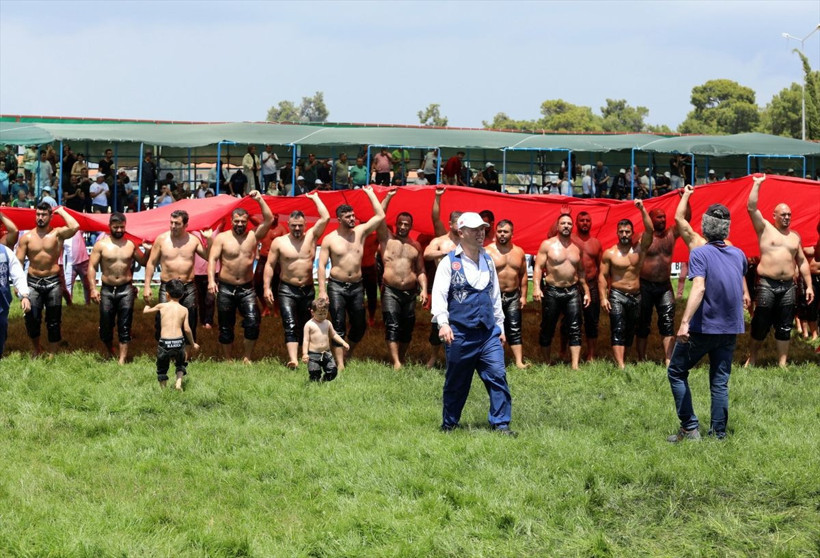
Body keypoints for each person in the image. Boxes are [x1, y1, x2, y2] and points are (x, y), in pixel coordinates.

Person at [666, 204, 747, 443]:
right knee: (720, 382)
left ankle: (690, 427)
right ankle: (719, 435)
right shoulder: (739, 254)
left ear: (705, 226)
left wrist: (684, 323)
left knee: (676, 372)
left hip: (704, 327)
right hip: (730, 328)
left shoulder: (700, 253)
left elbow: (699, 287)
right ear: (726, 229)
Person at [432, 212, 514, 435]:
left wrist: (501, 327)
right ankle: (449, 424)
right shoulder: (449, 263)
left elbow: (494, 295)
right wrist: (443, 323)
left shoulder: (488, 259)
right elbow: (438, 294)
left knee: (497, 375)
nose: (481, 233)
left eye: (483, 229)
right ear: (461, 232)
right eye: (475, 229)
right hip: (459, 333)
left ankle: (501, 424)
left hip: (488, 332)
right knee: (457, 382)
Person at [745, 175, 814, 367]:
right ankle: (753, 359)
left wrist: (809, 286)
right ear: (774, 216)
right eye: (783, 214)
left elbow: (801, 262)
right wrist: (757, 184)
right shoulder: (765, 228)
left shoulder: (795, 237)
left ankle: (782, 364)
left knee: (785, 325)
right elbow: (751, 208)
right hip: (767, 283)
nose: (787, 217)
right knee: (761, 323)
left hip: (788, 286)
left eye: (789, 215)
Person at [317, 186, 385, 371]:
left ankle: (349, 351)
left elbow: (380, 216)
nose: (352, 219)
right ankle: (340, 364)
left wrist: (370, 193)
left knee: (360, 325)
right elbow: (321, 265)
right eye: (348, 217)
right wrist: (322, 290)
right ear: (339, 219)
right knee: (338, 324)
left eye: (353, 216)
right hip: (337, 285)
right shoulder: (330, 239)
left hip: (356, 285)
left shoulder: (361, 232)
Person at [264, 192, 330, 368]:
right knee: (290, 323)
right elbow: (269, 265)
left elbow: (326, 217)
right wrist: (266, 288)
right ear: (289, 225)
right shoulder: (279, 242)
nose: (297, 229)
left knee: (305, 323)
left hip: (307, 288)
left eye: (300, 226)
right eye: (294, 226)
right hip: (287, 288)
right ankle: (293, 359)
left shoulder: (312, 236)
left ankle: (305, 354)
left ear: (305, 225)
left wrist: (315, 198)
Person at [207, 190, 273, 363]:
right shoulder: (222, 238)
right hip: (226, 287)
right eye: (237, 221)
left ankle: (247, 356)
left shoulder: (253, 236)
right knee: (225, 325)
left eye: (243, 222)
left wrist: (259, 199)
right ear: (231, 221)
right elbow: (212, 259)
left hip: (246, 288)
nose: (240, 224)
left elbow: (269, 219)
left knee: (253, 321)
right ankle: (228, 358)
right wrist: (211, 281)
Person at [16, 203, 81, 357]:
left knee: (54, 320)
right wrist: (19, 285)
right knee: (32, 319)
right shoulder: (27, 237)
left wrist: (62, 211)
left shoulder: (57, 234)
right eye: (38, 214)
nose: (40, 217)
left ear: (51, 217)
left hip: (53, 281)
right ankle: (36, 349)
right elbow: (18, 262)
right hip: (33, 281)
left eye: (44, 215)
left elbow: (75, 226)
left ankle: (53, 353)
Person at [87, 213, 150, 364]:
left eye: (122, 227)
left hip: (125, 289)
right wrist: (93, 289)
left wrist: (147, 250)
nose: (119, 230)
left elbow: (142, 261)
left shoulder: (130, 244)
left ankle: (122, 359)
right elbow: (92, 267)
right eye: (116, 227)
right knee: (106, 326)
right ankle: (110, 350)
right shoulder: (101, 245)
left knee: (125, 324)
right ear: (109, 227)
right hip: (107, 289)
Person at [598, 200, 653, 369]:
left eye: (627, 231)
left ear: (632, 232)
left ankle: (625, 358)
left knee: (630, 329)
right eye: (621, 231)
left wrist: (642, 209)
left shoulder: (640, 249)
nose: (624, 234)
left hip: (636, 295)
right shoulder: (610, 253)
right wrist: (603, 298)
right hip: (617, 294)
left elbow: (650, 230)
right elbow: (602, 276)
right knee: (618, 327)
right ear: (617, 233)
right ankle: (620, 364)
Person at [143, 210, 210, 348]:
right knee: (162, 318)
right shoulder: (161, 239)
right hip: (167, 285)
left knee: (190, 317)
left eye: (177, 223)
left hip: (188, 286)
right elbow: (151, 263)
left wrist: (209, 239)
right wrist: (147, 286)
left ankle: (185, 352)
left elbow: (209, 256)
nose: (173, 226)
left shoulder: (193, 240)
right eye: (171, 223)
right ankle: (164, 348)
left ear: (185, 224)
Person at [377, 189, 428, 369]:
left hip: (410, 291)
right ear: (396, 224)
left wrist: (424, 289)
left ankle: (402, 356)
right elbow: (379, 216)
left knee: (407, 327)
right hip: (391, 290)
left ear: (410, 226)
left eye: (406, 224)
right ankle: (396, 362)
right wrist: (388, 198)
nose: (403, 227)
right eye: (400, 223)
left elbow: (421, 269)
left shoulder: (415, 246)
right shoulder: (387, 239)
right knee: (392, 324)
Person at [533, 213, 591, 369]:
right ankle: (546, 362)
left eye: (569, 224)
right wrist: (537, 287)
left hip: (572, 291)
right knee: (547, 326)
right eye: (563, 223)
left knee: (575, 327)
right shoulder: (547, 245)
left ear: (573, 227)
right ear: (557, 226)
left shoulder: (576, 248)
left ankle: (575, 365)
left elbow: (581, 272)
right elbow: (538, 267)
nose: (566, 226)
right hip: (552, 290)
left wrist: (586, 291)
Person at [635, 204, 682, 366]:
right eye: (659, 217)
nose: (662, 220)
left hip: (664, 286)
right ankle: (641, 358)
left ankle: (669, 359)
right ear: (651, 218)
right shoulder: (642, 237)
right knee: (643, 322)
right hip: (645, 285)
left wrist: (685, 199)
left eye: (664, 217)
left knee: (668, 321)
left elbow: (686, 219)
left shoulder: (671, 234)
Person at [423, 187, 461, 367]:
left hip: (461, 288)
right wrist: (438, 197)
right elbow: (427, 253)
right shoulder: (441, 240)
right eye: (457, 223)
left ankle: (456, 356)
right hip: (443, 287)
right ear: (451, 223)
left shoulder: (466, 240)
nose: (460, 226)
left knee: (460, 322)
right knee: (437, 322)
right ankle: (433, 356)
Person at [143, 279, 200, 390]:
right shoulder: (184, 309)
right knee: (181, 364)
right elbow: (187, 329)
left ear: (167, 294)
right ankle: (178, 383)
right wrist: (193, 343)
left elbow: (146, 312)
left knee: (162, 367)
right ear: (183, 294)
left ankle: (164, 389)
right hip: (179, 342)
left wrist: (147, 305)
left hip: (165, 342)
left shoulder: (162, 306)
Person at [486, 219, 529, 369]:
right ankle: (496, 360)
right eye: (499, 231)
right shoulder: (487, 251)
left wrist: (523, 295)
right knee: (492, 328)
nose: (502, 234)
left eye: (505, 231)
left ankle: (519, 362)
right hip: (493, 297)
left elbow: (523, 275)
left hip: (512, 296)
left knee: (515, 327)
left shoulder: (519, 252)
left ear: (512, 233)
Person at [0, 211, 30, 358]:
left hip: (2, 301)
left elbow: (18, 273)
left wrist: (24, 295)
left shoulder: (5, 252)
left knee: (1, 328)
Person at [302, 298, 349, 382]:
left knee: (332, 371)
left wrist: (343, 342)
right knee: (314, 373)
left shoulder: (327, 323)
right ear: (312, 312)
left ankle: (324, 381)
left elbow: (334, 334)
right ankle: (315, 384)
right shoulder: (309, 325)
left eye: (325, 313)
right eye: (320, 314)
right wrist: (305, 354)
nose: (323, 316)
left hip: (327, 353)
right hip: (313, 354)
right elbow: (306, 340)